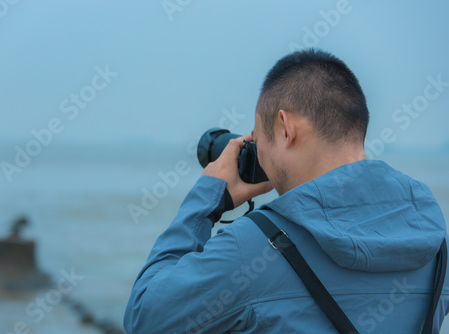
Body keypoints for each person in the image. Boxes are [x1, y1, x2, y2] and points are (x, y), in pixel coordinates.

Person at [124, 49, 448, 333]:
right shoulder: (433, 237)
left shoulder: (252, 248)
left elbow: (145, 316)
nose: (258, 150)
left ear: (285, 127)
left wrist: (206, 198)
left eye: (258, 137)